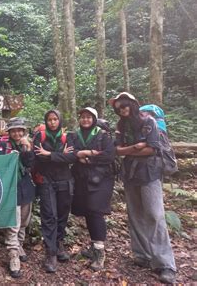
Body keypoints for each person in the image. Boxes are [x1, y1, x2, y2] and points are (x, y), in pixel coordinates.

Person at [110, 92, 176, 283]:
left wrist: (129, 150)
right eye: (119, 108)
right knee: (135, 213)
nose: (122, 109)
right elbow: (117, 149)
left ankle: (165, 264)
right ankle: (142, 255)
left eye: (125, 106)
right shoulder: (121, 126)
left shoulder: (148, 122)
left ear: (132, 104)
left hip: (150, 173)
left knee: (155, 215)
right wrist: (135, 148)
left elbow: (152, 148)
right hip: (130, 173)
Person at [69, 107, 115, 271]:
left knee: (96, 211)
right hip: (82, 179)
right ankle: (94, 247)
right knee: (88, 211)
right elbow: (71, 152)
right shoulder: (74, 135)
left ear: (94, 119)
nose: (85, 120)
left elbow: (109, 155)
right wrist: (82, 153)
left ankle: (100, 252)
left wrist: (86, 157)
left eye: (89, 117)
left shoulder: (103, 135)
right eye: (83, 117)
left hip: (101, 178)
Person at [33, 110, 74, 273]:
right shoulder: (40, 136)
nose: (52, 122)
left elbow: (72, 157)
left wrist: (49, 154)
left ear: (60, 120)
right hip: (46, 180)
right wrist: (59, 155)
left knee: (63, 214)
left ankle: (59, 244)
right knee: (49, 215)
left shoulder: (69, 137)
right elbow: (37, 156)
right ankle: (51, 253)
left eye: (55, 119)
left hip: (65, 180)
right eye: (49, 119)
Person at [0, 117, 35, 278]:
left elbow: (30, 164)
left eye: (20, 130)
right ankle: (13, 255)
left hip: (25, 186)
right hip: (10, 188)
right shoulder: (3, 145)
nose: (17, 133)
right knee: (14, 222)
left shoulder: (28, 144)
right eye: (14, 130)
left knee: (24, 221)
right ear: (9, 132)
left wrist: (25, 150)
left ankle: (19, 245)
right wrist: (8, 157)